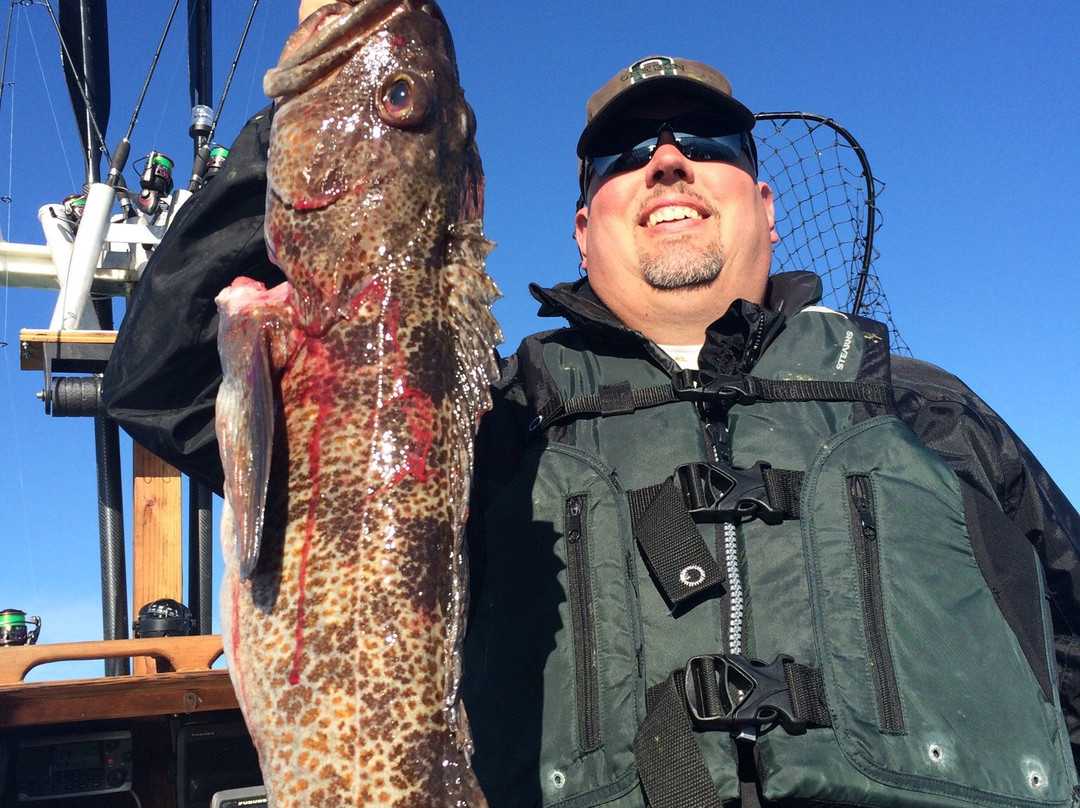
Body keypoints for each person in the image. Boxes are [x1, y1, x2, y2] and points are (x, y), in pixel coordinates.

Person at [100, 6, 1080, 806]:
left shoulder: (930, 412)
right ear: (580, 226)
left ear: (768, 204)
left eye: (707, 141)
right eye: (621, 154)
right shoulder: (483, 418)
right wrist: (310, 126)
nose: (665, 160)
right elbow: (164, 376)